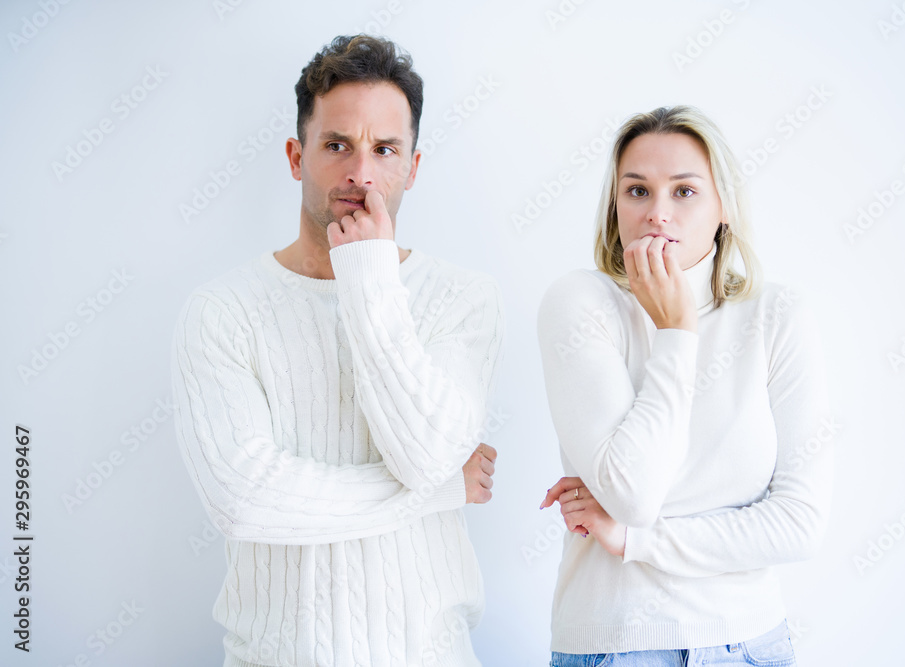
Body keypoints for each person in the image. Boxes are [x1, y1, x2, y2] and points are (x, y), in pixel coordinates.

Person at [170, 34, 504, 667]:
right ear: (297, 156)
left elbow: (428, 452)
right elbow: (245, 500)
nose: (361, 173)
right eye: (336, 146)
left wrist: (370, 274)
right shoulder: (221, 311)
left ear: (413, 165)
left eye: (385, 149)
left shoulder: (465, 299)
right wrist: (435, 492)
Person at [537, 105, 834, 666]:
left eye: (685, 192)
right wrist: (676, 333)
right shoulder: (579, 304)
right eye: (637, 191)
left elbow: (799, 524)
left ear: (723, 207)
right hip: (616, 645)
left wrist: (635, 541)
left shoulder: (777, 315)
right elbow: (633, 494)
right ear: (614, 206)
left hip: (749, 644)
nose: (658, 214)